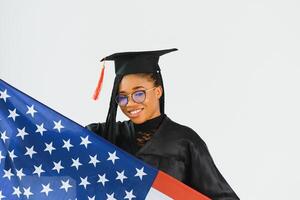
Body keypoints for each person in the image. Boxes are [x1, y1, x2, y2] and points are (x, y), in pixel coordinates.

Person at [86, 48, 239, 199]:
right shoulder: (103, 135)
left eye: (139, 94)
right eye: (122, 97)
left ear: (158, 91)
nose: (130, 103)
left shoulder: (185, 141)